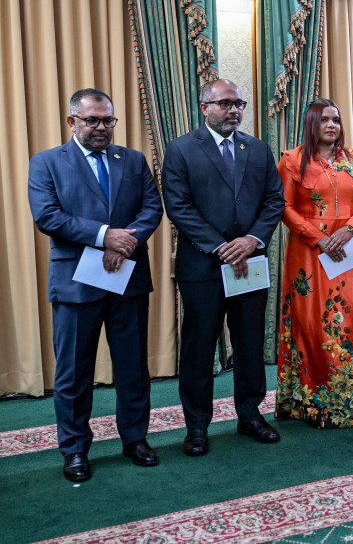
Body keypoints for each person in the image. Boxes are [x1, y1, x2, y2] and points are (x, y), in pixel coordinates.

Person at [28, 88, 164, 482]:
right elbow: (47, 216)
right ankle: (74, 450)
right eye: (92, 120)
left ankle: (135, 439)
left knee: (133, 367)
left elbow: (151, 208)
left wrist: (126, 242)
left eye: (108, 120)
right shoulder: (47, 162)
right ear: (73, 121)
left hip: (127, 278)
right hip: (75, 283)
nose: (102, 127)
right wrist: (105, 236)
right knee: (74, 372)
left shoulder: (132, 160)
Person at [162, 79, 285, 456]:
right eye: (226, 103)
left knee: (249, 343)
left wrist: (252, 240)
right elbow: (178, 206)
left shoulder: (258, 149)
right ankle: (197, 425)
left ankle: (250, 415)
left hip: (250, 262)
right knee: (199, 348)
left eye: (239, 104)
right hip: (202, 266)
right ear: (205, 107)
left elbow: (274, 200)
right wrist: (221, 247)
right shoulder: (181, 149)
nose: (234, 110)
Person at [275, 98, 353, 428]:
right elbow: (283, 207)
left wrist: (348, 230)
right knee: (313, 324)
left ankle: (351, 403)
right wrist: (319, 238)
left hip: (347, 251)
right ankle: (314, 405)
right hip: (309, 254)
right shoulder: (292, 160)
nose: (332, 125)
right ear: (311, 124)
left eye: (336, 119)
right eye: (324, 120)